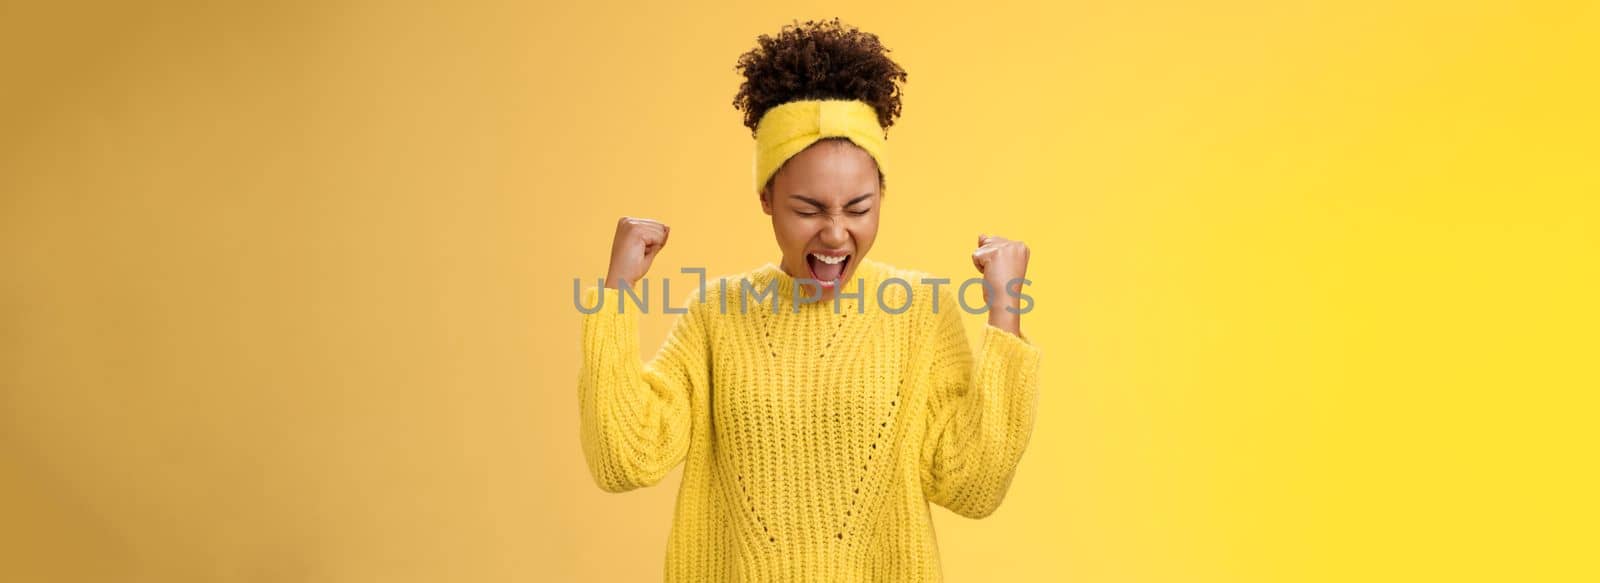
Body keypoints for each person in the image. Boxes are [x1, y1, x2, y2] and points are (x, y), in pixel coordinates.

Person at [576, 18, 1041, 581]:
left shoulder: (921, 311)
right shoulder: (715, 315)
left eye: (860, 208)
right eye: (809, 209)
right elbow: (625, 458)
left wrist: (1004, 311)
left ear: (882, 197)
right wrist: (616, 293)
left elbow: (971, 484)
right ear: (767, 198)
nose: (836, 233)